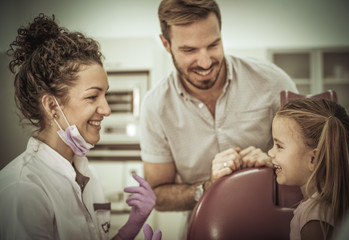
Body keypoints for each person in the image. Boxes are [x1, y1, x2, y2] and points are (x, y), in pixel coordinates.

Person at [139, 0, 297, 237]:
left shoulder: (274, 83)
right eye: (189, 50)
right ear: (166, 44)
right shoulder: (155, 107)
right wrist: (207, 187)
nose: (205, 62)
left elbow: (317, 165)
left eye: (213, 44)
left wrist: (274, 165)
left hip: (278, 228)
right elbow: (158, 195)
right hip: (204, 230)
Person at [0, 14, 161, 240]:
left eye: (105, 95)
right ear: (51, 105)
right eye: (92, 97)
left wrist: (131, 227)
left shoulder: (87, 175)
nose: (106, 109)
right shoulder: (23, 190)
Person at [268, 98, 349, 240]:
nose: (270, 153)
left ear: (314, 159)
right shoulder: (319, 209)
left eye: (279, 146)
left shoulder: (315, 218)